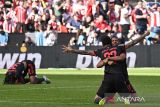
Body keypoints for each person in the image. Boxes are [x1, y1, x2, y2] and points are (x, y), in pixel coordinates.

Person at [62, 31, 150, 104]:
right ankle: (122, 99)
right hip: (121, 77)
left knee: (97, 99)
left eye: (116, 40)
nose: (115, 42)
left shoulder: (100, 51)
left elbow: (86, 52)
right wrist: (144, 35)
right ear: (110, 42)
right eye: (113, 40)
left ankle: (107, 99)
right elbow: (132, 43)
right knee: (134, 100)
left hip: (108, 79)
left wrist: (72, 50)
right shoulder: (120, 48)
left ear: (102, 43)